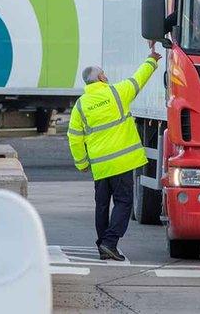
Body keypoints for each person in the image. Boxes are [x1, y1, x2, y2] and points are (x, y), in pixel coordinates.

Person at [67, 43, 162, 261]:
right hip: (121, 163)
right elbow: (139, 79)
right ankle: (110, 243)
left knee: (101, 205)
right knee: (123, 202)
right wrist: (152, 60)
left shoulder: (80, 106)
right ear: (100, 78)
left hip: (100, 166)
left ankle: (103, 245)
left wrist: (82, 163)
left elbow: (74, 137)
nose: (106, 76)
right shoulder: (117, 93)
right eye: (104, 74)